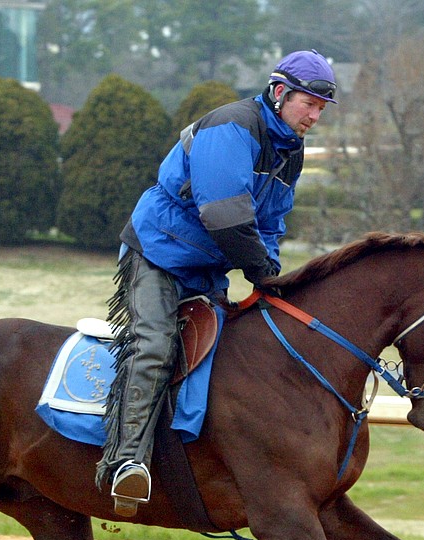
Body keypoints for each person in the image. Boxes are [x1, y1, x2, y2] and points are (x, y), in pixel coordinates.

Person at [97, 49, 337, 516]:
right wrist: (262, 273)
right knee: (155, 344)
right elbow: (224, 214)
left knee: (236, 354)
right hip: (157, 255)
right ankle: (125, 461)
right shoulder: (232, 126)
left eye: (321, 109)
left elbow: (271, 222)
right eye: (308, 104)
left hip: (207, 268)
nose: (314, 116)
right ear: (280, 93)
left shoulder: (290, 150)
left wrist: (270, 272)